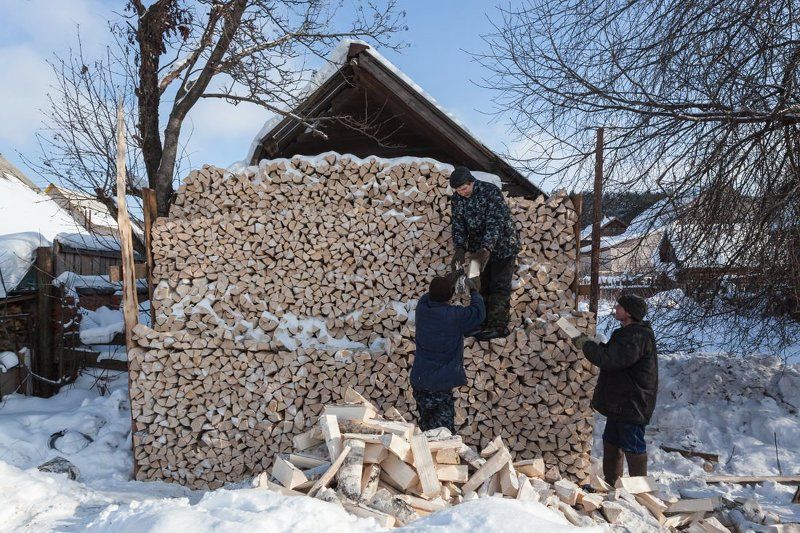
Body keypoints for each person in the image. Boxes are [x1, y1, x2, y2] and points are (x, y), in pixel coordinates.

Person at [574, 294, 658, 487]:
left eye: (620, 306)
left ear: (629, 313)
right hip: (621, 401)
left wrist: (586, 345)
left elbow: (611, 360)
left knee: (633, 444)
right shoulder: (628, 333)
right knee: (611, 441)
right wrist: (596, 345)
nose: (616, 308)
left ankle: (640, 491)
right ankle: (611, 485)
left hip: (633, 400)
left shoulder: (636, 337)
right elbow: (614, 354)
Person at [449, 166, 520, 341]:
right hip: (476, 250)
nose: (462, 192)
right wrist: (460, 248)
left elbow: (496, 222)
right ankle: (479, 322)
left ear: (471, 181)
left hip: (503, 246)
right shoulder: (456, 199)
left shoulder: (490, 191)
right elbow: (458, 224)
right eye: (458, 190)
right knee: (478, 285)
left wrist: (486, 248)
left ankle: (497, 326)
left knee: (499, 285)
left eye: (464, 188)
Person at [410, 274, 485, 432]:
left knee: (426, 427)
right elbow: (478, 313)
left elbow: (427, 296)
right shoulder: (455, 316)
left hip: (420, 380)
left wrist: (447, 281)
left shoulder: (422, 309)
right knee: (443, 434)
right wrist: (474, 291)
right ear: (450, 296)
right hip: (440, 385)